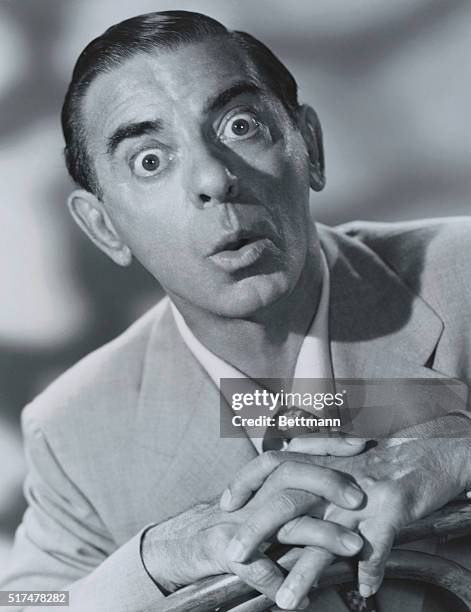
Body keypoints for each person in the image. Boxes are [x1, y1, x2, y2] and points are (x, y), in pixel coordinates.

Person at [2, 10, 471, 612]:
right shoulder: (75, 430)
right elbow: (26, 604)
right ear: (104, 229)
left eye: (241, 125)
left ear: (312, 148)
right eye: (150, 160)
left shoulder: (460, 277)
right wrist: (150, 561)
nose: (213, 178)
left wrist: (459, 454)